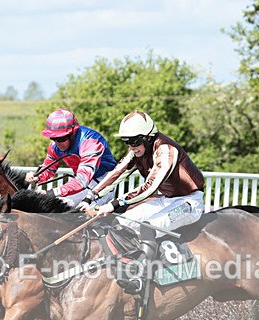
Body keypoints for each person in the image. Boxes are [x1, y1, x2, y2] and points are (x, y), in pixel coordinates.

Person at [82, 110, 205, 294]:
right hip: (166, 199)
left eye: (134, 142)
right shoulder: (136, 151)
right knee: (120, 222)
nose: (131, 147)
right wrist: (90, 197)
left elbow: (149, 187)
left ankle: (141, 277)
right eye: (127, 142)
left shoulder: (166, 150)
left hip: (190, 202)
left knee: (148, 226)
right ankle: (127, 264)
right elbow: (116, 173)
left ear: (148, 138)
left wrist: (114, 203)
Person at [25, 108, 117, 207]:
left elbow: (82, 180)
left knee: (80, 211)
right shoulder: (54, 146)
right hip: (84, 183)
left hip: (103, 182)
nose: (57, 143)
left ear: (73, 133)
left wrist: (51, 193)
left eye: (61, 138)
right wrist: (37, 177)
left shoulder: (91, 142)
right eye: (53, 138)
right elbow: (49, 169)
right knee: (57, 207)